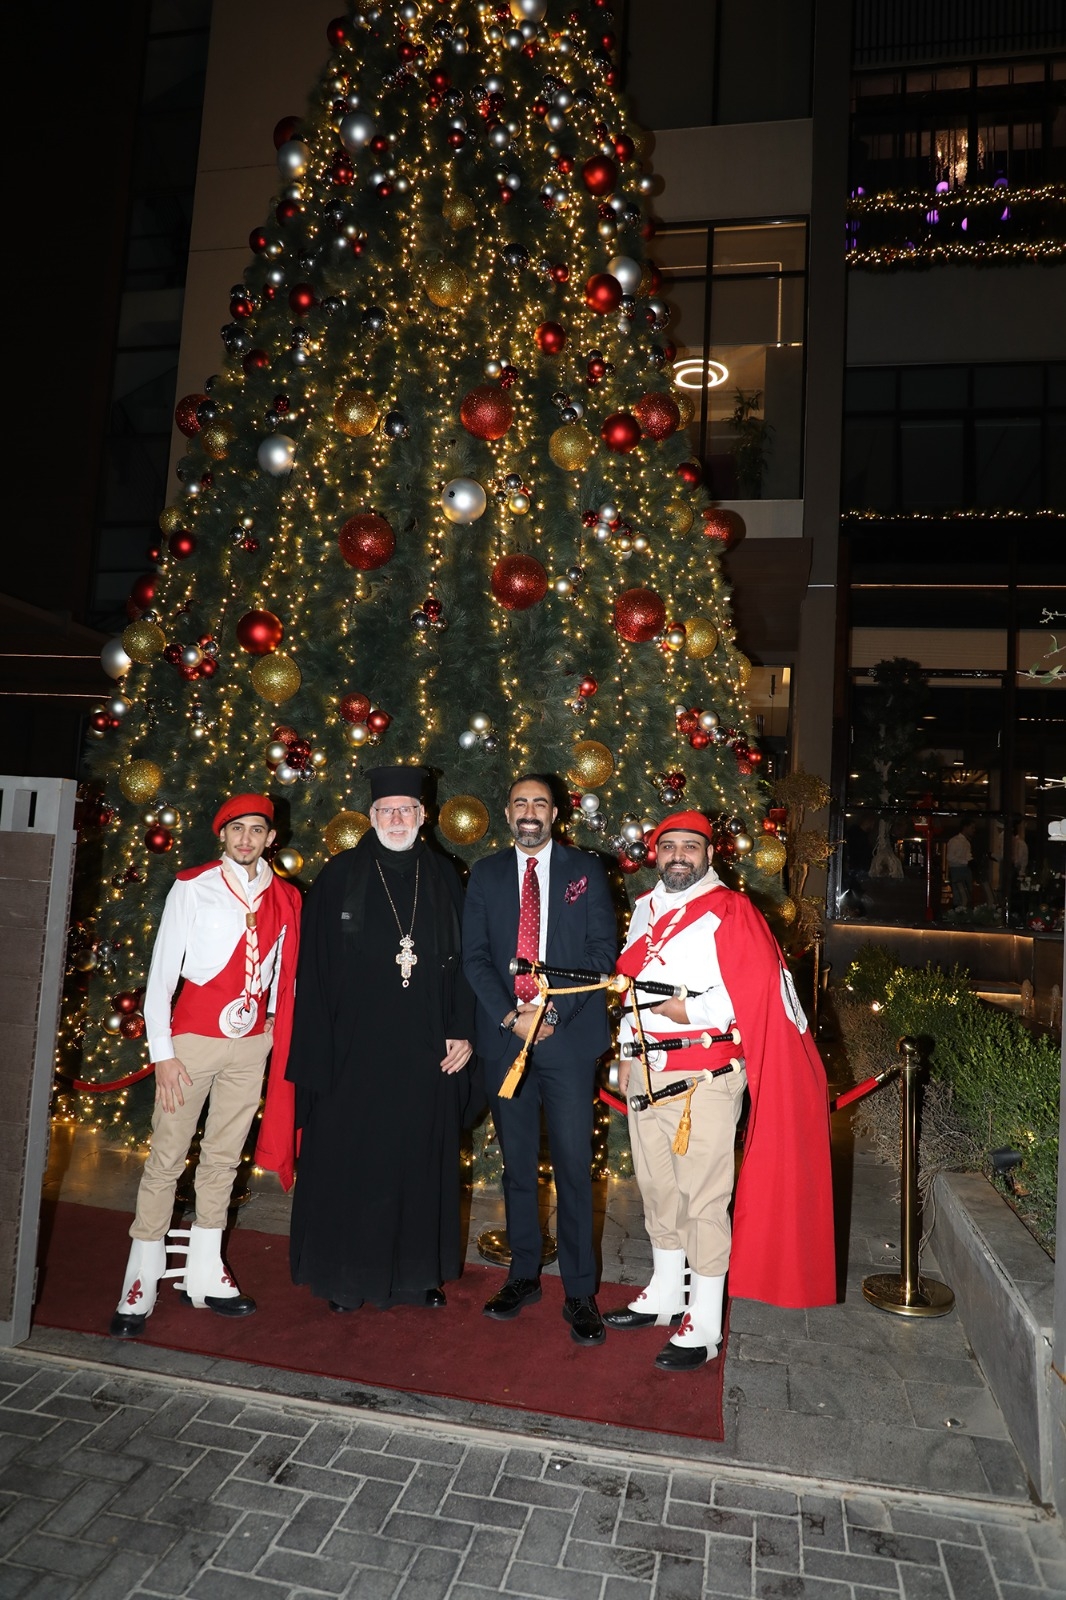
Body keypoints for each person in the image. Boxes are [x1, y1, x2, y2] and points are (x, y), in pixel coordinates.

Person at [603, 810, 836, 1371]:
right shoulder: (644, 907)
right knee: (657, 1188)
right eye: (669, 847)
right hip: (646, 1070)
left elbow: (748, 994)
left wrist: (679, 1008)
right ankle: (666, 1293)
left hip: (702, 1077)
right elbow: (629, 992)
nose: (678, 856)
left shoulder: (732, 911)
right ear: (656, 854)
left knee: (703, 1199)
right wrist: (627, 1052)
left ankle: (705, 1322)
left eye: (691, 847)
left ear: (709, 855)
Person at [282, 767, 475, 1311]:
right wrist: (320, 1051)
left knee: (419, 1160)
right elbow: (314, 972)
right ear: (370, 817)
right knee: (354, 1162)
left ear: (422, 816)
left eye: (405, 810)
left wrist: (462, 1029)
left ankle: (417, 1273)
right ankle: (346, 1277)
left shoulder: (444, 876)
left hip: (425, 1050)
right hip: (354, 1053)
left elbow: (467, 963)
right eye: (386, 810)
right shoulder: (340, 875)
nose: (396, 819)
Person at [110, 794, 301, 1338]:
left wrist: (270, 1024)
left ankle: (205, 1268)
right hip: (191, 1042)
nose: (246, 839)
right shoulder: (193, 886)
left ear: (270, 838)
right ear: (223, 835)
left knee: (223, 1158)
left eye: (256, 830)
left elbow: (282, 971)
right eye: (237, 829)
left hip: (250, 1045)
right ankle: (140, 1274)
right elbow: (162, 974)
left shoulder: (285, 896)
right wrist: (163, 1054)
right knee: (166, 1158)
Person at [463, 774, 617, 1345]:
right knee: (518, 1166)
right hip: (507, 1040)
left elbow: (601, 954)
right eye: (520, 802)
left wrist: (551, 1013)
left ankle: (579, 1291)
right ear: (508, 813)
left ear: (555, 814)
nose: (530, 811)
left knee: (574, 1166)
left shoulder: (585, 871)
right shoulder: (486, 874)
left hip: (568, 1041)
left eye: (540, 804)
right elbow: (476, 957)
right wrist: (512, 1017)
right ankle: (523, 1274)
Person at [945, 820, 976, 910]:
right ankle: (958, 912)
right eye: (972, 828)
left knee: (967, 894)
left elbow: (968, 856)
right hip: (957, 870)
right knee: (959, 894)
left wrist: (972, 862)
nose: (973, 830)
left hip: (966, 870)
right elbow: (950, 857)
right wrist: (965, 862)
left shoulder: (967, 842)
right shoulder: (955, 841)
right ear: (965, 828)